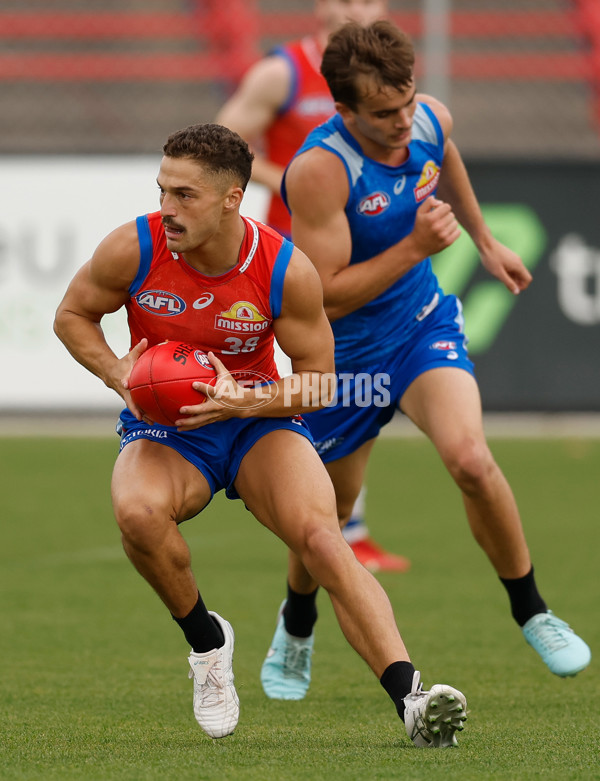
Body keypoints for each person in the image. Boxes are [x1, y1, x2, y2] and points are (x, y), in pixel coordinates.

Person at [53, 123, 468, 747]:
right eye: (162, 189)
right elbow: (72, 315)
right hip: (167, 429)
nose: (166, 207)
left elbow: (320, 385)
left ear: (231, 199)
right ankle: (208, 646)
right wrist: (121, 374)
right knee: (137, 514)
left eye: (184, 195)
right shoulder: (134, 247)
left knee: (323, 540)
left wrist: (246, 400)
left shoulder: (283, 269)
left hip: (257, 421)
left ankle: (411, 699)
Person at [260, 21, 591, 702]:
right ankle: (296, 622)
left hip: (419, 327)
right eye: (384, 114)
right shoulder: (320, 171)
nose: (404, 122)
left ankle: (533, 609)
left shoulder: (429, 119)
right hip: (344, 354)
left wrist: (486, 240)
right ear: (344, 111)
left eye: (408, 102)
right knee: (328, 513)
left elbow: (451, 162)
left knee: (471, 458)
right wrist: (414, 247)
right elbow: (325, 298)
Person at [215, 0, 409, 572]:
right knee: (311, 387)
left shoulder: (384, 83)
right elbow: (222, 145)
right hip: (289, 263)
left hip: (358, 255)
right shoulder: (283, 72)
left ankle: (347, 524)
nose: (358, 6)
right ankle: (309, 514)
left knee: (351, 388)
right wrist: (286, 174)